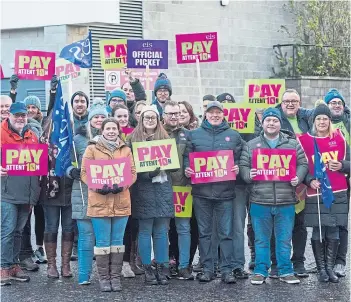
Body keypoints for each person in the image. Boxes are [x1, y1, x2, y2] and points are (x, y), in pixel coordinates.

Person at [240, 107, 308, 285]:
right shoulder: (251, 145)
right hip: (259, 200)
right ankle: (260, 271)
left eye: (275, 120)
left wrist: (298, 177)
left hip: (285, 200)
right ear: (262, 124)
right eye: (268, 120)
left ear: (280, 123)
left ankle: (286, 271)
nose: (271, 123)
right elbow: (243, 167)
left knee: (284, 239)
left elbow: (303, 163)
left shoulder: (292, 144)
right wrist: (249, 175)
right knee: (261, 239)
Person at [184, 101, 242, 284]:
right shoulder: (194, 135)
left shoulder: (234, 136)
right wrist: (188, 170)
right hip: (201, 194)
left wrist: (238, 167)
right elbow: (187, 159)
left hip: (225, 193)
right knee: (205, 233)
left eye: (218, 112)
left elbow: (241, 159)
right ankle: (208, 269)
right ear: (205, 114)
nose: (215, 115)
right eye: (211, 112)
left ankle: (226, 270)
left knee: (226, 233)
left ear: (223, 115)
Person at [81, 118, 137, 292]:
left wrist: (125, 184)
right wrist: (97, 186)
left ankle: (115, 277)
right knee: (103, 242)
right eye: (108, 128)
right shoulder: (91, 149)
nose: (111, 131)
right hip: (99, 202)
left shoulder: (126, 149)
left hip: (121, 201)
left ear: (118, 130)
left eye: (114, 128)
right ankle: (104, 279)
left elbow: (133, 172)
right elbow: (84, 172)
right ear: (102, 130)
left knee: (118, 241)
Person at [299, 104, 350, 283]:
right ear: (314, 121)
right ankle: (321, 268)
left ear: (330, 121)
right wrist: (308, 180)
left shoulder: (340, 139)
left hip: (338, 190)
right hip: (316, 190)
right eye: (319, 118)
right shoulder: (304, 140)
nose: (322, 121)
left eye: (325, 119)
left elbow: (349, 162)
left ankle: (330, 267)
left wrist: (343, 165)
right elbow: (300, 166)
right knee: (318, 229)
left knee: (334, 228)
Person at [127, 105, 174, 285]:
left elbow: (173, 162)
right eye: (146, 117)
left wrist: (172, 166)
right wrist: (147, 174)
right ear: (141, 119)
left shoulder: (166, 138)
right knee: (145, 231)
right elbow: (129, 168)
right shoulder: (132, 139)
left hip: (162, 190)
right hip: (143, 190)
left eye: (153, 117)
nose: (149, 120)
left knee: (162, 231)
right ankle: (147, 269)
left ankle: (162, 268)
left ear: (158, 119)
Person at [66, 99, 109, 285]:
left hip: (106, 194)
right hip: (83, 193)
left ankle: (103, 276)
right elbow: (65, 163)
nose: (99, 120)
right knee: (85, 237)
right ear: (90, 120)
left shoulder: (113, 138)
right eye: (96, 116)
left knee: (102, 239)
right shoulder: (77, 140)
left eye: (102, 117)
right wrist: (71, 171)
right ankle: (84, 275)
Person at [1, 102, 41, 285]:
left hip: (26, 194)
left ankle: (14, 265)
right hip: (7, 193)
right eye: (16, 115)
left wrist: (34, 195)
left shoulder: (32, 136)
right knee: (7, 231)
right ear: (9, 115)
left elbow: (36, 167)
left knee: (18, 232)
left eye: (23, 115)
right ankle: (3, 267)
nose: (20, 118)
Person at [162, 100, 194, 280]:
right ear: (164, 115)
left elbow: (191, 157)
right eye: (170, 113)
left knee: (183, 228)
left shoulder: (188, 135)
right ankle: (164, 265)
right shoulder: (156, 135)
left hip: (182, 187)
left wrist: (191, 169)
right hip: (161, 189)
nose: (174, 116)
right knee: (162, 230)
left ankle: (183, 266)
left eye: (176, 113)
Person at [324, 89, 350, 277]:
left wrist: (343, 166)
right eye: (332, 102)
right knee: (323, 222)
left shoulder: (347, 125)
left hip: (345, 179)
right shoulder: (318, 125)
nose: (336, 105)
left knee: (341, 222)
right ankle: (326, 262)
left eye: (339, 102)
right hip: (323, 183)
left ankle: (340, 261)